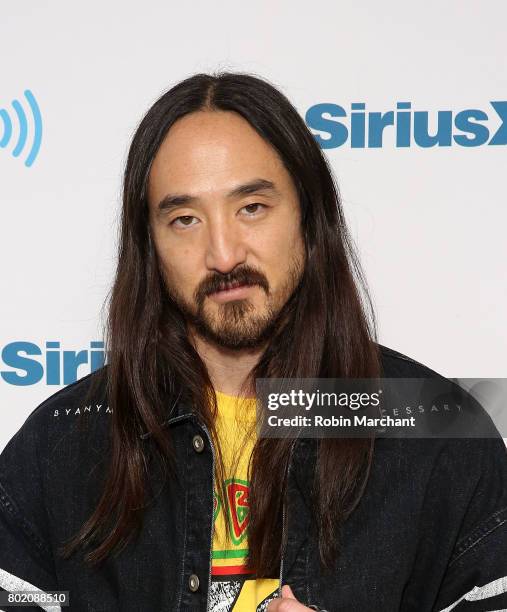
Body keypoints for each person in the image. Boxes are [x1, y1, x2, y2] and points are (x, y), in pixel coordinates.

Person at [0, 71, 506, 612]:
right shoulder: (63, 444)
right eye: (185, 219)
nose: (223, 254)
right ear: (150, 246)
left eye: (252, 208)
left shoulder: (437, 428)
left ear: (310, 218)